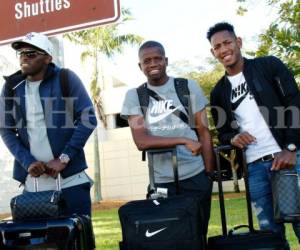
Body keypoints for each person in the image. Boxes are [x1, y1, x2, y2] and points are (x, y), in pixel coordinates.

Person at [207, 22, 300, 248]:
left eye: (227, 42)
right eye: (217, 46)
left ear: (238, 42)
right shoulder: (219, 92)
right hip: (254, 167)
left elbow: (295, 103)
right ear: (213, 52)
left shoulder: (268, 65)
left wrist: (291, 148)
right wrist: (233, 138)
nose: (223, 49)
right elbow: (224, 133)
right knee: (270, 235)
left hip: (287, 160)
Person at [121, 40, 215, 235]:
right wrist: (183, 140)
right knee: (167, 238)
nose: (153, 64)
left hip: (195, 176)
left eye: (157, 58)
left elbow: (204, 132)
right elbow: (142, 141)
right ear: (140, 66)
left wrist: (208, 174)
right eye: (147, 61)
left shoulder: (187, 86)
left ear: (166, 60)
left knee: (198, 235)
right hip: (161, 181)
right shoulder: (134, 96)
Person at [0, 32, 97, 217]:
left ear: (47, 58)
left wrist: (64, 158)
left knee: (78, 240)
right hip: (33, 184)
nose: (24, 58)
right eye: (21, 54)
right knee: (37, 244)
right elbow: (6, 129)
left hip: (71, 181)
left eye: (31, 54)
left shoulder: (66, 78)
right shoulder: (12, 87)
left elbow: (88, 118)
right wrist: (27, 162)